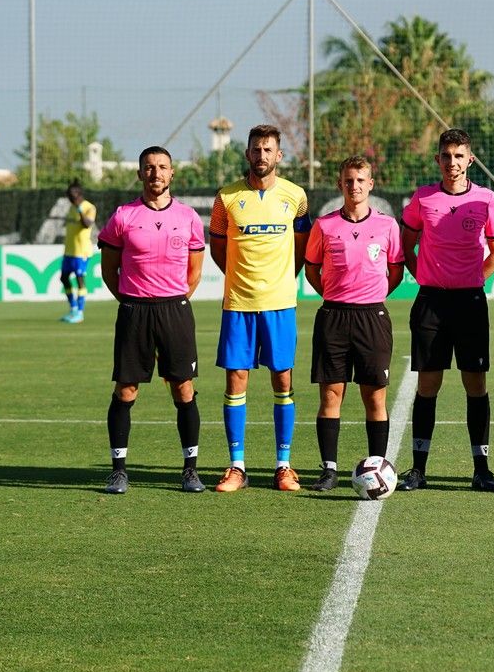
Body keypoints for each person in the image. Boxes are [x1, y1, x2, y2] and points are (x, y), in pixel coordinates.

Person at [397, 128, 494, 492]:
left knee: (475, 384)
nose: (452, 163)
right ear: (438, 160)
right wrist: (424, 277)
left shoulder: (486, 199)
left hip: (470, 303)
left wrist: (476, 279)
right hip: (430, 301)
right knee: (429, 384)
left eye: (459, 156)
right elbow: (406, 244)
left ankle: (482, 468)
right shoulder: (423, 198)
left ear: (470, 160)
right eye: (446, 156)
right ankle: (417, 469)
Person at [96, 147, 207, 494]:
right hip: (135, 312)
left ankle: (190, 470)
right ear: (140, 174)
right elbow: (109, 270)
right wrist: (132, 301)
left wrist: (172, 299)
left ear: (172, 173)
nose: (155, 173)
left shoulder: (188, 217)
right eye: (149, 168)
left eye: (162, 167)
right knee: (126, 390)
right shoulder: (123, 216)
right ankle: (118, 470)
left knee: (183, 388)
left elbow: (195, 273)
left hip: (175, 309)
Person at [208, 125, 311, 492]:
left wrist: (282, 281)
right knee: (236, 382)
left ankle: (284, 465)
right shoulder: (226, 198)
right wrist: (239, 278)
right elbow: (218, 249)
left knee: (282, 382)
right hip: (238, 304)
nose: (262, 155)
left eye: (268, 149)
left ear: (279, 155)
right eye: (256, 149)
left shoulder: (296, 197)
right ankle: (237, 466)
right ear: (247, 153)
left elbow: (301, 248)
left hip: (280, 304)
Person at [302, 156, 405, 491]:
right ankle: (329, 470)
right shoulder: (325, 225)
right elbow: (312, 270)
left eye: (360, 180)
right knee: (331, 394)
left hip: (372, 317)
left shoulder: (388, 226)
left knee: (374, 396)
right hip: (333, 316)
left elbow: (396, 272)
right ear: (340, 184)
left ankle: (380, 466)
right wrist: (335, 295)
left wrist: (370, 297)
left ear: (370, 184)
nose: (355, 186)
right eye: (348, 180)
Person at [59, 180, 96, 323]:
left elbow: (87, 224)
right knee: (64, 278)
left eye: (71, 195)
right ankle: (73, 308)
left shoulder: (89, 207)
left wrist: (79, 209)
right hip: (69, 251)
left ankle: (80, 312)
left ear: (78, 194)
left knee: (80, 280)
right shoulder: (71, 208)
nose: (69, 198)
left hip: (82, 252)